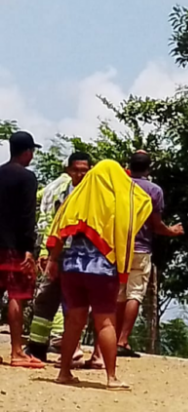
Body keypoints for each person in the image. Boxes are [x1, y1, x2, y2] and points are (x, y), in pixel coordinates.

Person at [45, 159, 153, 390]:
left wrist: (53, 260)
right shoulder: (119, 203)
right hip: (102, 268)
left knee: (74, 319)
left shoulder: (77, 198)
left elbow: (60, 230)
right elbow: (141, 209)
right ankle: (111, 377)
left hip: (73, 267)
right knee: (105, 321)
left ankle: (64, 372)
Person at [113, 151, 183, 358]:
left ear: (129, 165)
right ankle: (123, 340)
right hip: (141, 248)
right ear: (149, 169)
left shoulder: (119, 185)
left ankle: (111, 338)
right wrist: (172, 231)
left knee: (118, 293)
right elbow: (156, 224)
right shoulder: (154, 190)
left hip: (118, 247)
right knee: (135, 293)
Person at [26, 152, 92, 364]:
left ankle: (71, 349)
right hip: (59, 253)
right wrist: (47, 253)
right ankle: (36, 348)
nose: (80, 174)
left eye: (84, 170)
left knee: (74, 303)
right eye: (76, 170)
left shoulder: (94, 195)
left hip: (82, 256)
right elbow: (52, 225)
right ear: (68, 170)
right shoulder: (60, 192)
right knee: (46, 299)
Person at [0, 131, 41, 368]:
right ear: (27, 152)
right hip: (15, 246)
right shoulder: (27, 178)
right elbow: (27, 215)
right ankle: (17, 351)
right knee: (16, 296)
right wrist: (29, 248)